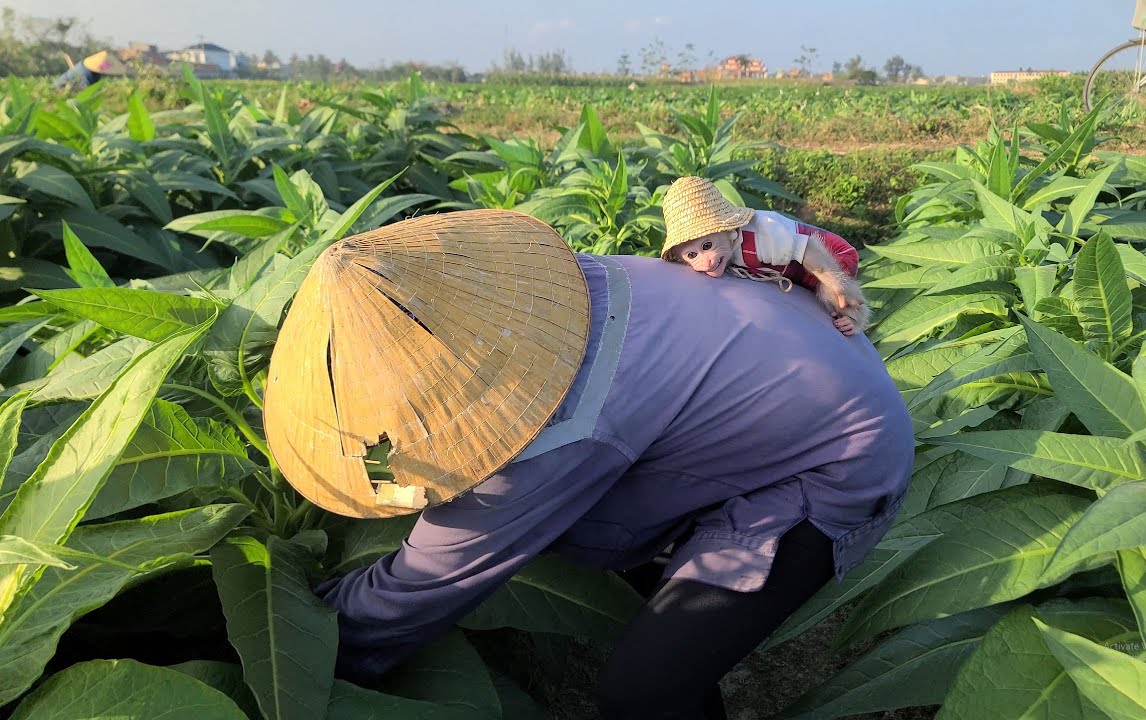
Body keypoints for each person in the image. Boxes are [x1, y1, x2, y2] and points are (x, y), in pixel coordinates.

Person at [265, 209, 913, 719]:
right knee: (613, 553)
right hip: (799, 366)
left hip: (836, 460)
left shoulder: (555, 431)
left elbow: (412, 593)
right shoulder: (551, 294)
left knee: (642, 693)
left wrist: (287, 644)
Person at [660, 176, 870, 336]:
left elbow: (810, 249)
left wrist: (837, 286)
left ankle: (854, 319)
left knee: (833, 296)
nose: (705, 260)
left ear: (726, 228)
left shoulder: (761, 236)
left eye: (707, 245)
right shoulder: (725, 249)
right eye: (691, 255)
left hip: (828, 257)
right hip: (790, 273)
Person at [52, 50, 126, 92]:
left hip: (73, 88)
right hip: (61, 87)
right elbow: (87, 91)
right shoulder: (85, 72)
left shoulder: (96, 73)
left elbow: (95, 86)